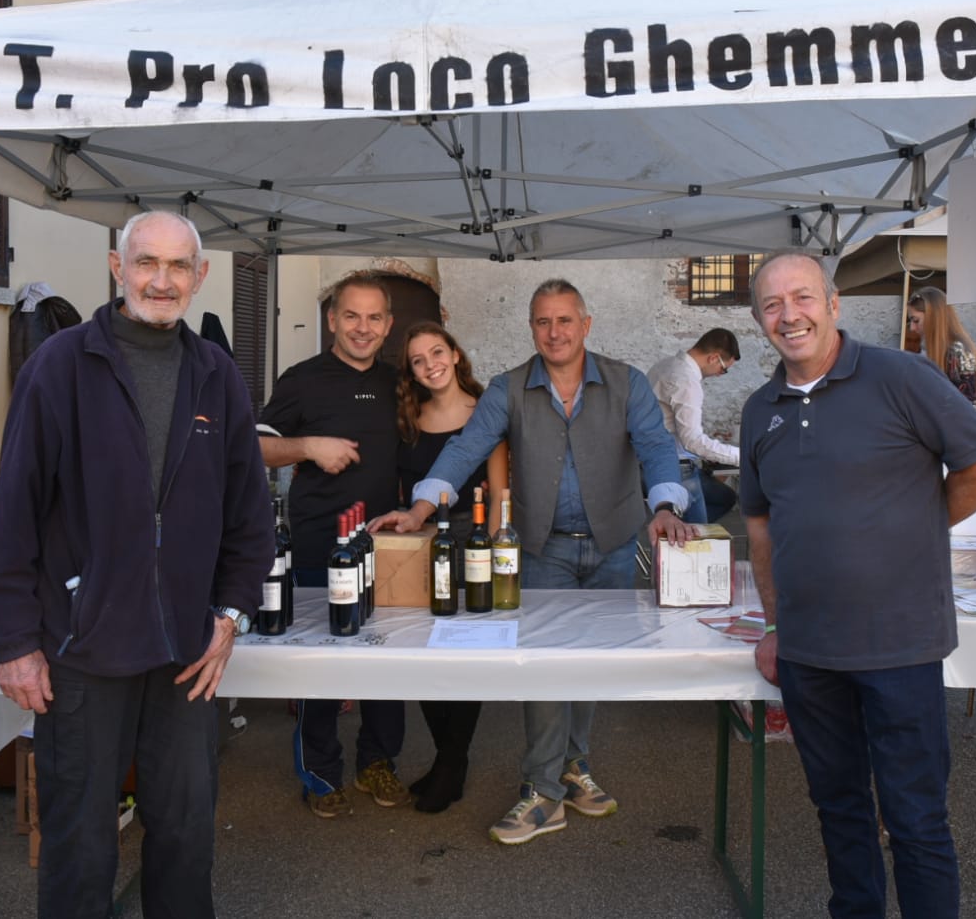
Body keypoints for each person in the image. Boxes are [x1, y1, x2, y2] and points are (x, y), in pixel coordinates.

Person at [0, 210, 273, 919]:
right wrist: (14, 641)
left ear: (200, 276)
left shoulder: (216, 375)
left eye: (178, 266)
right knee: (80, 843)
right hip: (84, 649)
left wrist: (229, 616)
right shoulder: (61, 365)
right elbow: (14, 508)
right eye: (146, 262)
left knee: (185, 833)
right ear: (118, 268)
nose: (161, 281)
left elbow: (249, 515)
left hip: (186, 651)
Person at [372, 278, 692, 845]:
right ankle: (542, 791)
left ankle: (574, 765)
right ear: (531, 329)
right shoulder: (509, 388)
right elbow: (466, 448)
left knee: (590, 662)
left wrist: (666, 505)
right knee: (544, 665)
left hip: (615, 543)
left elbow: (656, 446)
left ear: (585, 325)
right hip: (544, 548)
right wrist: (420, 506)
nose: (554, 332)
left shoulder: (627, 382)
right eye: (543, 322)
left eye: (565, 320)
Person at [740, 252, 976, 919]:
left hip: (899, 645)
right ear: (758, 320)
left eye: (802, 297)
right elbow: (760, 526)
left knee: (915, 819)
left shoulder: (901, 376)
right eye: (771, 305)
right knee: (838, 810)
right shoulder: (758, 410)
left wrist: (919, 524)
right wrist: (773, 626)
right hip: (808, 651)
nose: (788, 315)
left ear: (833, 305)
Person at [258, 273, 406, 816]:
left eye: (374, 317)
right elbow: (254, 448)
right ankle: (321, 774)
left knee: (387, 661)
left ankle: (378, 762)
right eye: (351, 316)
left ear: (388, 325)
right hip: (320, 542)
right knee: (320, 661)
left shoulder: (399, 383)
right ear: (332, 320)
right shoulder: (302, 380)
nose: (362, 328)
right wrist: (309, 447)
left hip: (388, 546)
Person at [393, 321, 507, 813]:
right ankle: (447, 759)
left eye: (437, 352)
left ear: (455, 354)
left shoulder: (486, 415)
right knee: (422, 653)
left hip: (472, 540)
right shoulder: (408, 417)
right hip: (421, 541)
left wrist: (495, 555)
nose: (430, 365)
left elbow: (499, 493)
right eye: (418, 360)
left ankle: (452, 762)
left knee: (464, 654)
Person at [646, 328, 743, 524]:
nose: (720, 375)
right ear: (713, 358)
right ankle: (678, 534)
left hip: (654, 460)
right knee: (696, 535)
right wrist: (741, 456)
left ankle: (674, 530)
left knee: (725, 498)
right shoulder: (686, 381)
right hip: (676, 466)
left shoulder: (664, 365)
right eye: (723, 369)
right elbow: (693, 441)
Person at [907, 286, 976, 405]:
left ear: (934, 318)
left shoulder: (959, 352)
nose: (912, 328)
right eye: (911, 321)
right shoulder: (930, 350)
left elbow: (968, 407)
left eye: (916, 320)